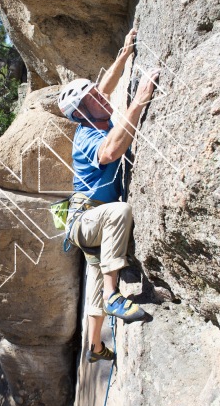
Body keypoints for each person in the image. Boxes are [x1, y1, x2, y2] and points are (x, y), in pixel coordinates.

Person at [58, 28, 160, 363]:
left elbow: (103, 89)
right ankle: (115, 296)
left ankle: (95, 348)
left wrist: (125, 52)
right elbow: (111, 151)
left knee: (94, 288)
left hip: (91, 224)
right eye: (92, 100)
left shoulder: (92, 113)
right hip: (88, 219)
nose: (102, 99)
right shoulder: (87, 136)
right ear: (82, 113)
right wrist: (141, 98)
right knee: (120, 211)